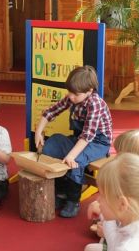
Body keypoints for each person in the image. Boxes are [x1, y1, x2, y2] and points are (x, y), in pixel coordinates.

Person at [35, 65, 112, 218]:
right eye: (69, 92)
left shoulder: (95, 103)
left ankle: (72, 199)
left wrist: (70, 156)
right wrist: (38, 132)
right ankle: (61, 192)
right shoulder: (73, 97)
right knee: (52, 144)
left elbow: (88, 136)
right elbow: (51, 111)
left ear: (89, 91)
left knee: (75, 159)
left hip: (98, 143)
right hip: (80, 139)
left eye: (75, 94)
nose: (71, 96)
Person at [85, 127, 139, 251]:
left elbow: (116, 244)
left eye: (120, 156)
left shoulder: (129, 246)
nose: (116, 159)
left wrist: (106, 220)